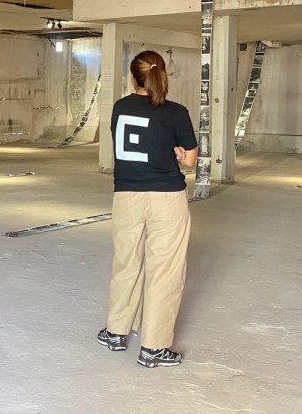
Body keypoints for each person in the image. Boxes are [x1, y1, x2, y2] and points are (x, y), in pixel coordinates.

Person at [97, 50, 197, 368]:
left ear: (133, 78)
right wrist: (178, 154)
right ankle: (153, 347)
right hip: (166, 198)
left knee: (126, 263)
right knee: (164, 271)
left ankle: (116, 332)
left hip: (127, 196)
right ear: (162, 74)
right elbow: (190, 160)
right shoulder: (176, 112)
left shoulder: (120, 108)